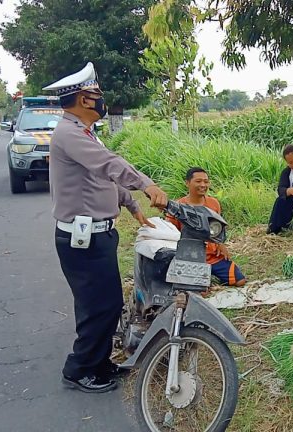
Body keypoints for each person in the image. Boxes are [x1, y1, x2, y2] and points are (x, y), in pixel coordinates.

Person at [45, 62, 168, 393]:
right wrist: (146, 184)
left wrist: (133, 207)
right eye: (97, 95)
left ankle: (99, 362)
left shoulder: (84, 134)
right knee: (97, 305)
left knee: (109, 303)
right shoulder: (70, 134)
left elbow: (103, 179)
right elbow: (111, 165)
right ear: (85, 99)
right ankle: (79, 369)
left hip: (97, 235)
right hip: (81, 240)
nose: (102, 101)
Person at [166, 167, 246, 287]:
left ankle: (209, 276)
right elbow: (170, 235)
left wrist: (221, 244)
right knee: (200, 292)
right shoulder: (177, 207)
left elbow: (218, 229)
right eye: (198, 181)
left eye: (206, 181)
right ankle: (202, 280)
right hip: (190, 258)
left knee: (240, 281)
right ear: (187, 183)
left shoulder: (214, 203)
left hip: (214, 257)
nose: (203, 185)